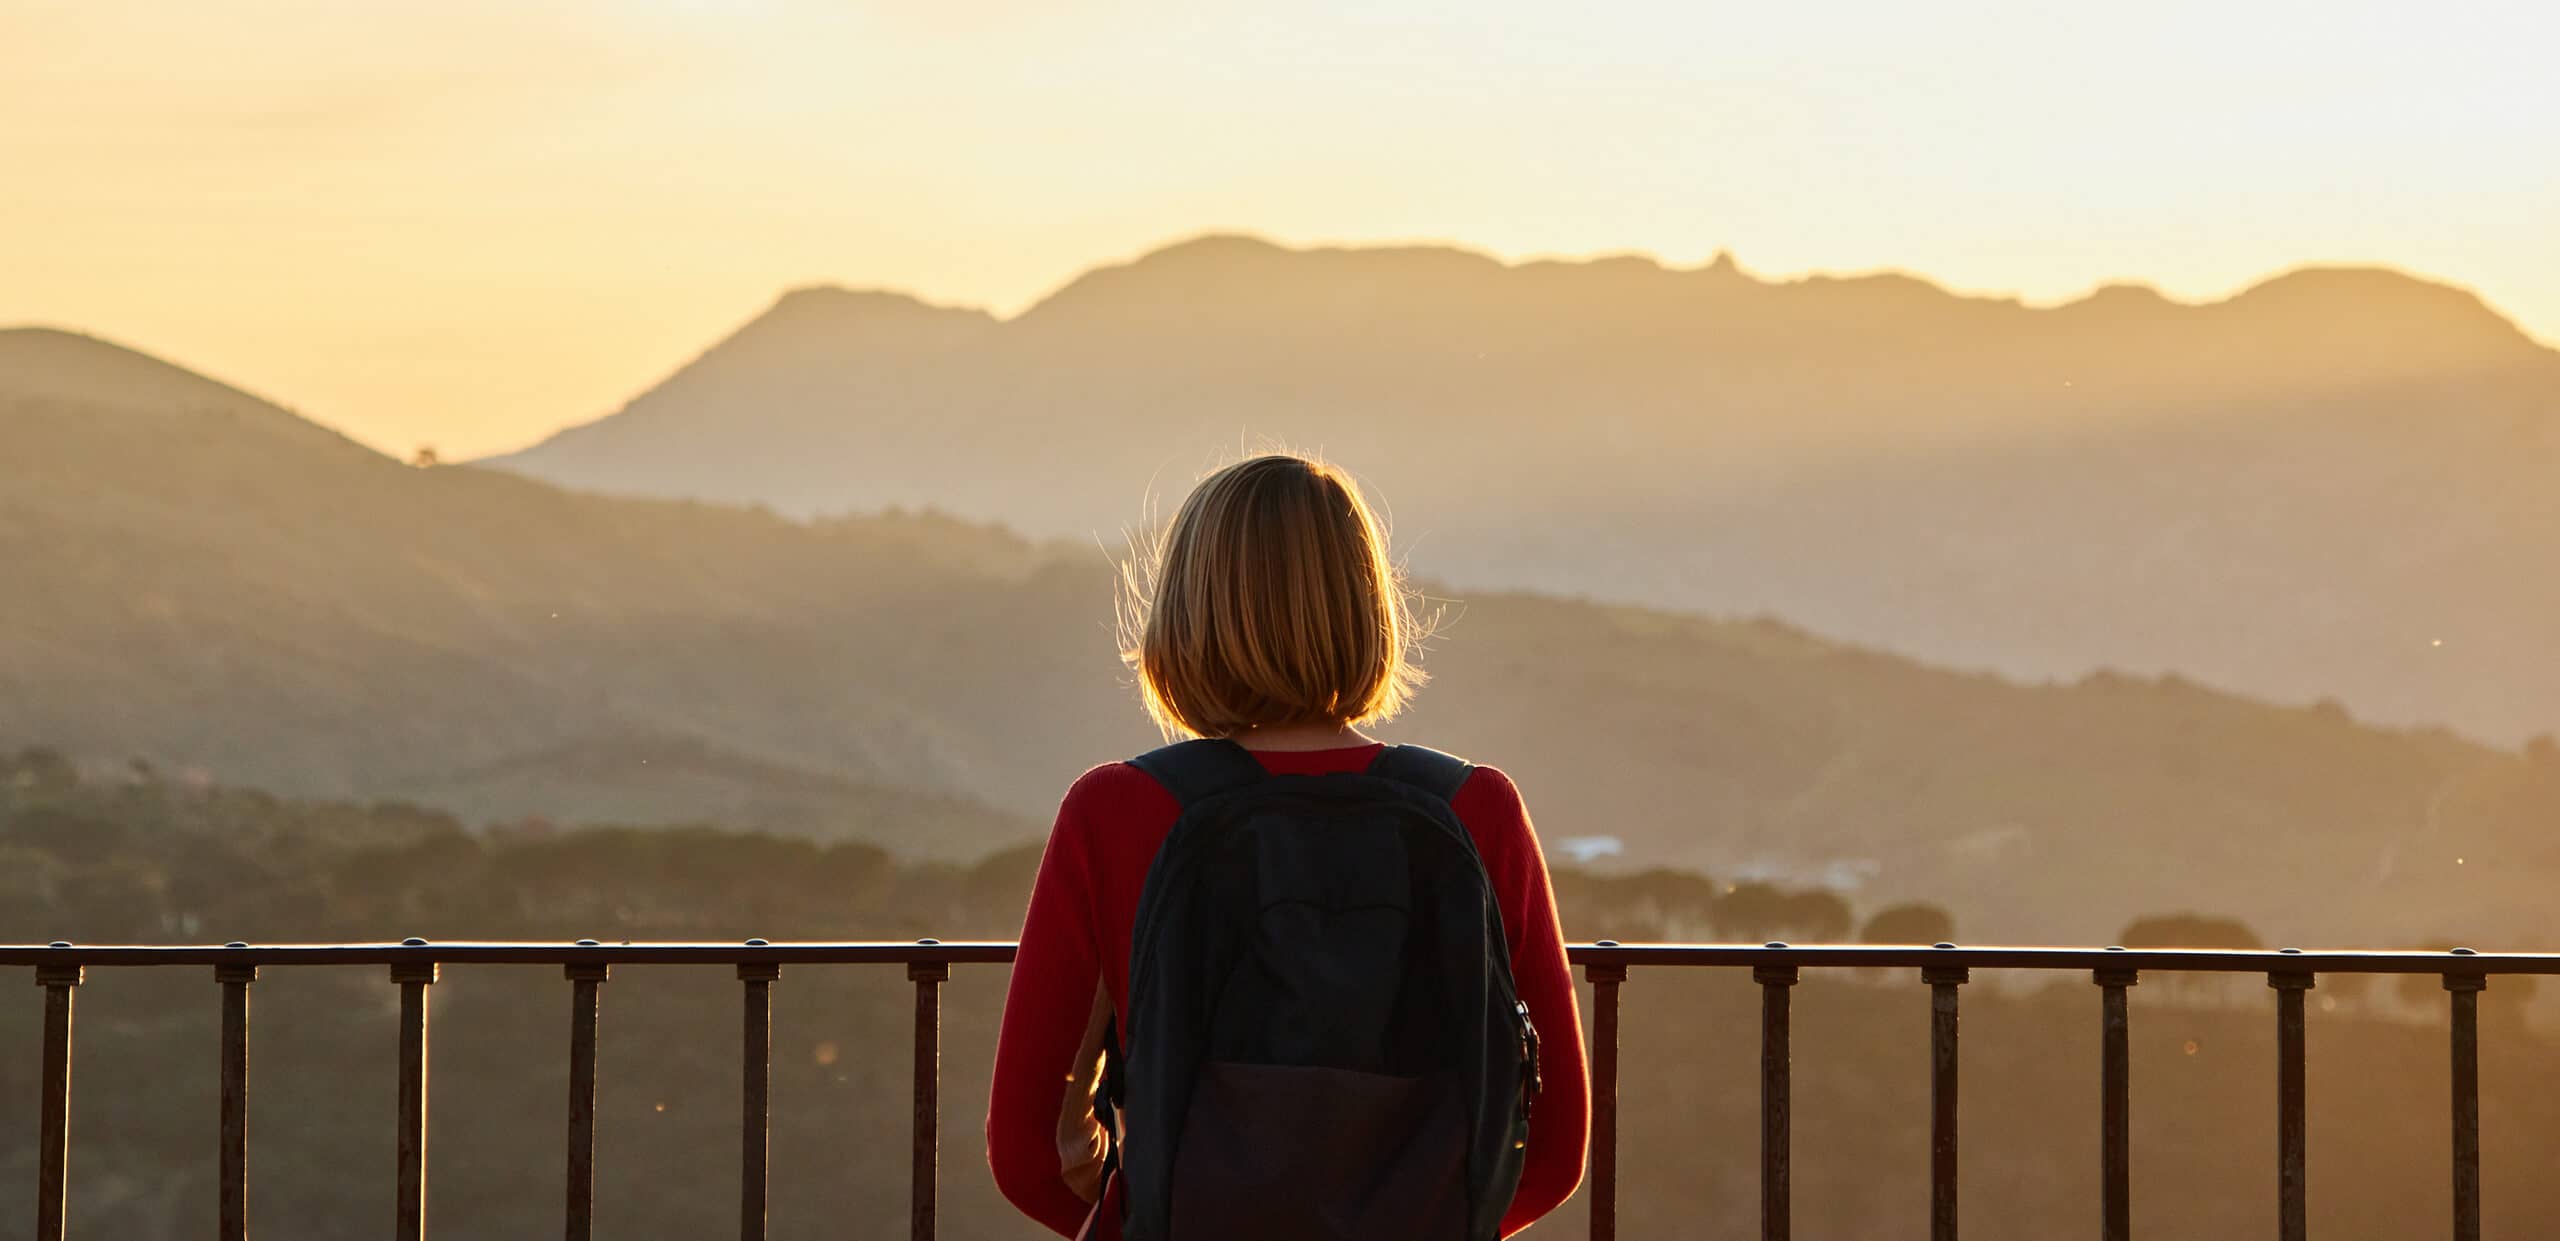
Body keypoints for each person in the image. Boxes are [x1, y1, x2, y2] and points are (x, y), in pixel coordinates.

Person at [986, 453, 1589, 1239]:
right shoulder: (1477, 809)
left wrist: (1151, 1212)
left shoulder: (1118, 810)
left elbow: (1032, 1151)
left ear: (1186, 612)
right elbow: (1551, 1150)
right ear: (1368, 607)